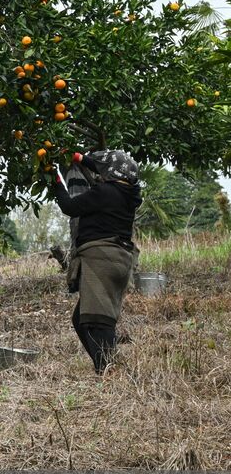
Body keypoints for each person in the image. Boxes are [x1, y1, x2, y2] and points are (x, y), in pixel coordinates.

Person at [52, 150, 141, 374]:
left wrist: (55, 179)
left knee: (97, 322)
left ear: (112, 173)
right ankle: (105, 368)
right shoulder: (130, 193)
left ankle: (109, 371)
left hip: (101, 259)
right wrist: (80, 159)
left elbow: (69, 207)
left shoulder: (105, 192)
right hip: (121, 259)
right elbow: (103, 168)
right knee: (81, 318)